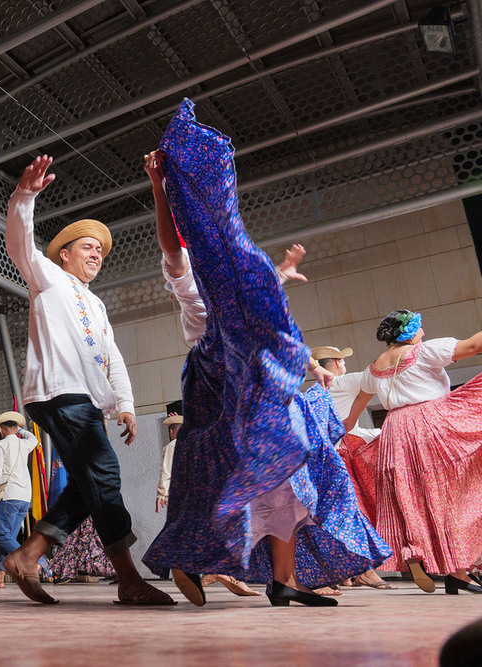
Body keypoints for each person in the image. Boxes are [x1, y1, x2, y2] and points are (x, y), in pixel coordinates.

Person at [139, 100, 390, 608]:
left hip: (254, 377)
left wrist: (279, 282)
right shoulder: (189, 278)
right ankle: (191, 555)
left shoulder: (242, 283)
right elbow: (171, 247)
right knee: (224, 469)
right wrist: (160, 191)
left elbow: (269, 322)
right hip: (217, 376)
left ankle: (285, 580)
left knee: (289, 467)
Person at [4, 154, 174, 606]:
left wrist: (127, 405)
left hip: (84, 399)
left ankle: (28, 555)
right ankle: (129, 579)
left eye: (100, 250)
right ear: (64, 255)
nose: (96, 253)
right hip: (59, 392)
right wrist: (25, 197)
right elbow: (20, 244)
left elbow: (112, 357)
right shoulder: (49, 280)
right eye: (86, 247)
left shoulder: (96, 305)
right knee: (105, 475)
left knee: (85, 485)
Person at [343, 309, 482, 595]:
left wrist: (347, 425)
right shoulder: (425, 351)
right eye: (420, 327)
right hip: (428, 423)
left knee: (413, 496)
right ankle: (459, 570)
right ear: (410, 332)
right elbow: (474, 346)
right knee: (445, 493)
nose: (423, 331)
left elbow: (362, 396)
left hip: (396, 430)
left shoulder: (376, 366)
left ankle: (417, 552)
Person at [312, 345, 394, 590]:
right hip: (341, 457)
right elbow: (377, 373)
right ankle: (364, 571)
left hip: (324, 458)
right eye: (343, 361)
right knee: (355, 510)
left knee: (337, 514)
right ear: (336, 363)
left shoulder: (313, 391)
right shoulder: (344, 382)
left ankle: (347, 571)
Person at [154, 414, 259, 597]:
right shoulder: (198, 443)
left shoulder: (175, 445)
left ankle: (216, 572)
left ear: (172, 432)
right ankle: (219, 572)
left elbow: (167, 470)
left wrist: (162, 493)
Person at [0, 411, 50, 589]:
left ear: (0, 429)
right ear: (16, 429)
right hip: (24, 497)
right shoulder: (25, 443)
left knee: (1, 536)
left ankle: (35, 560)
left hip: (8, 495)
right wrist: (20, 430)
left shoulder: (0, 444)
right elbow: (35, 439)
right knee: (10, 537)